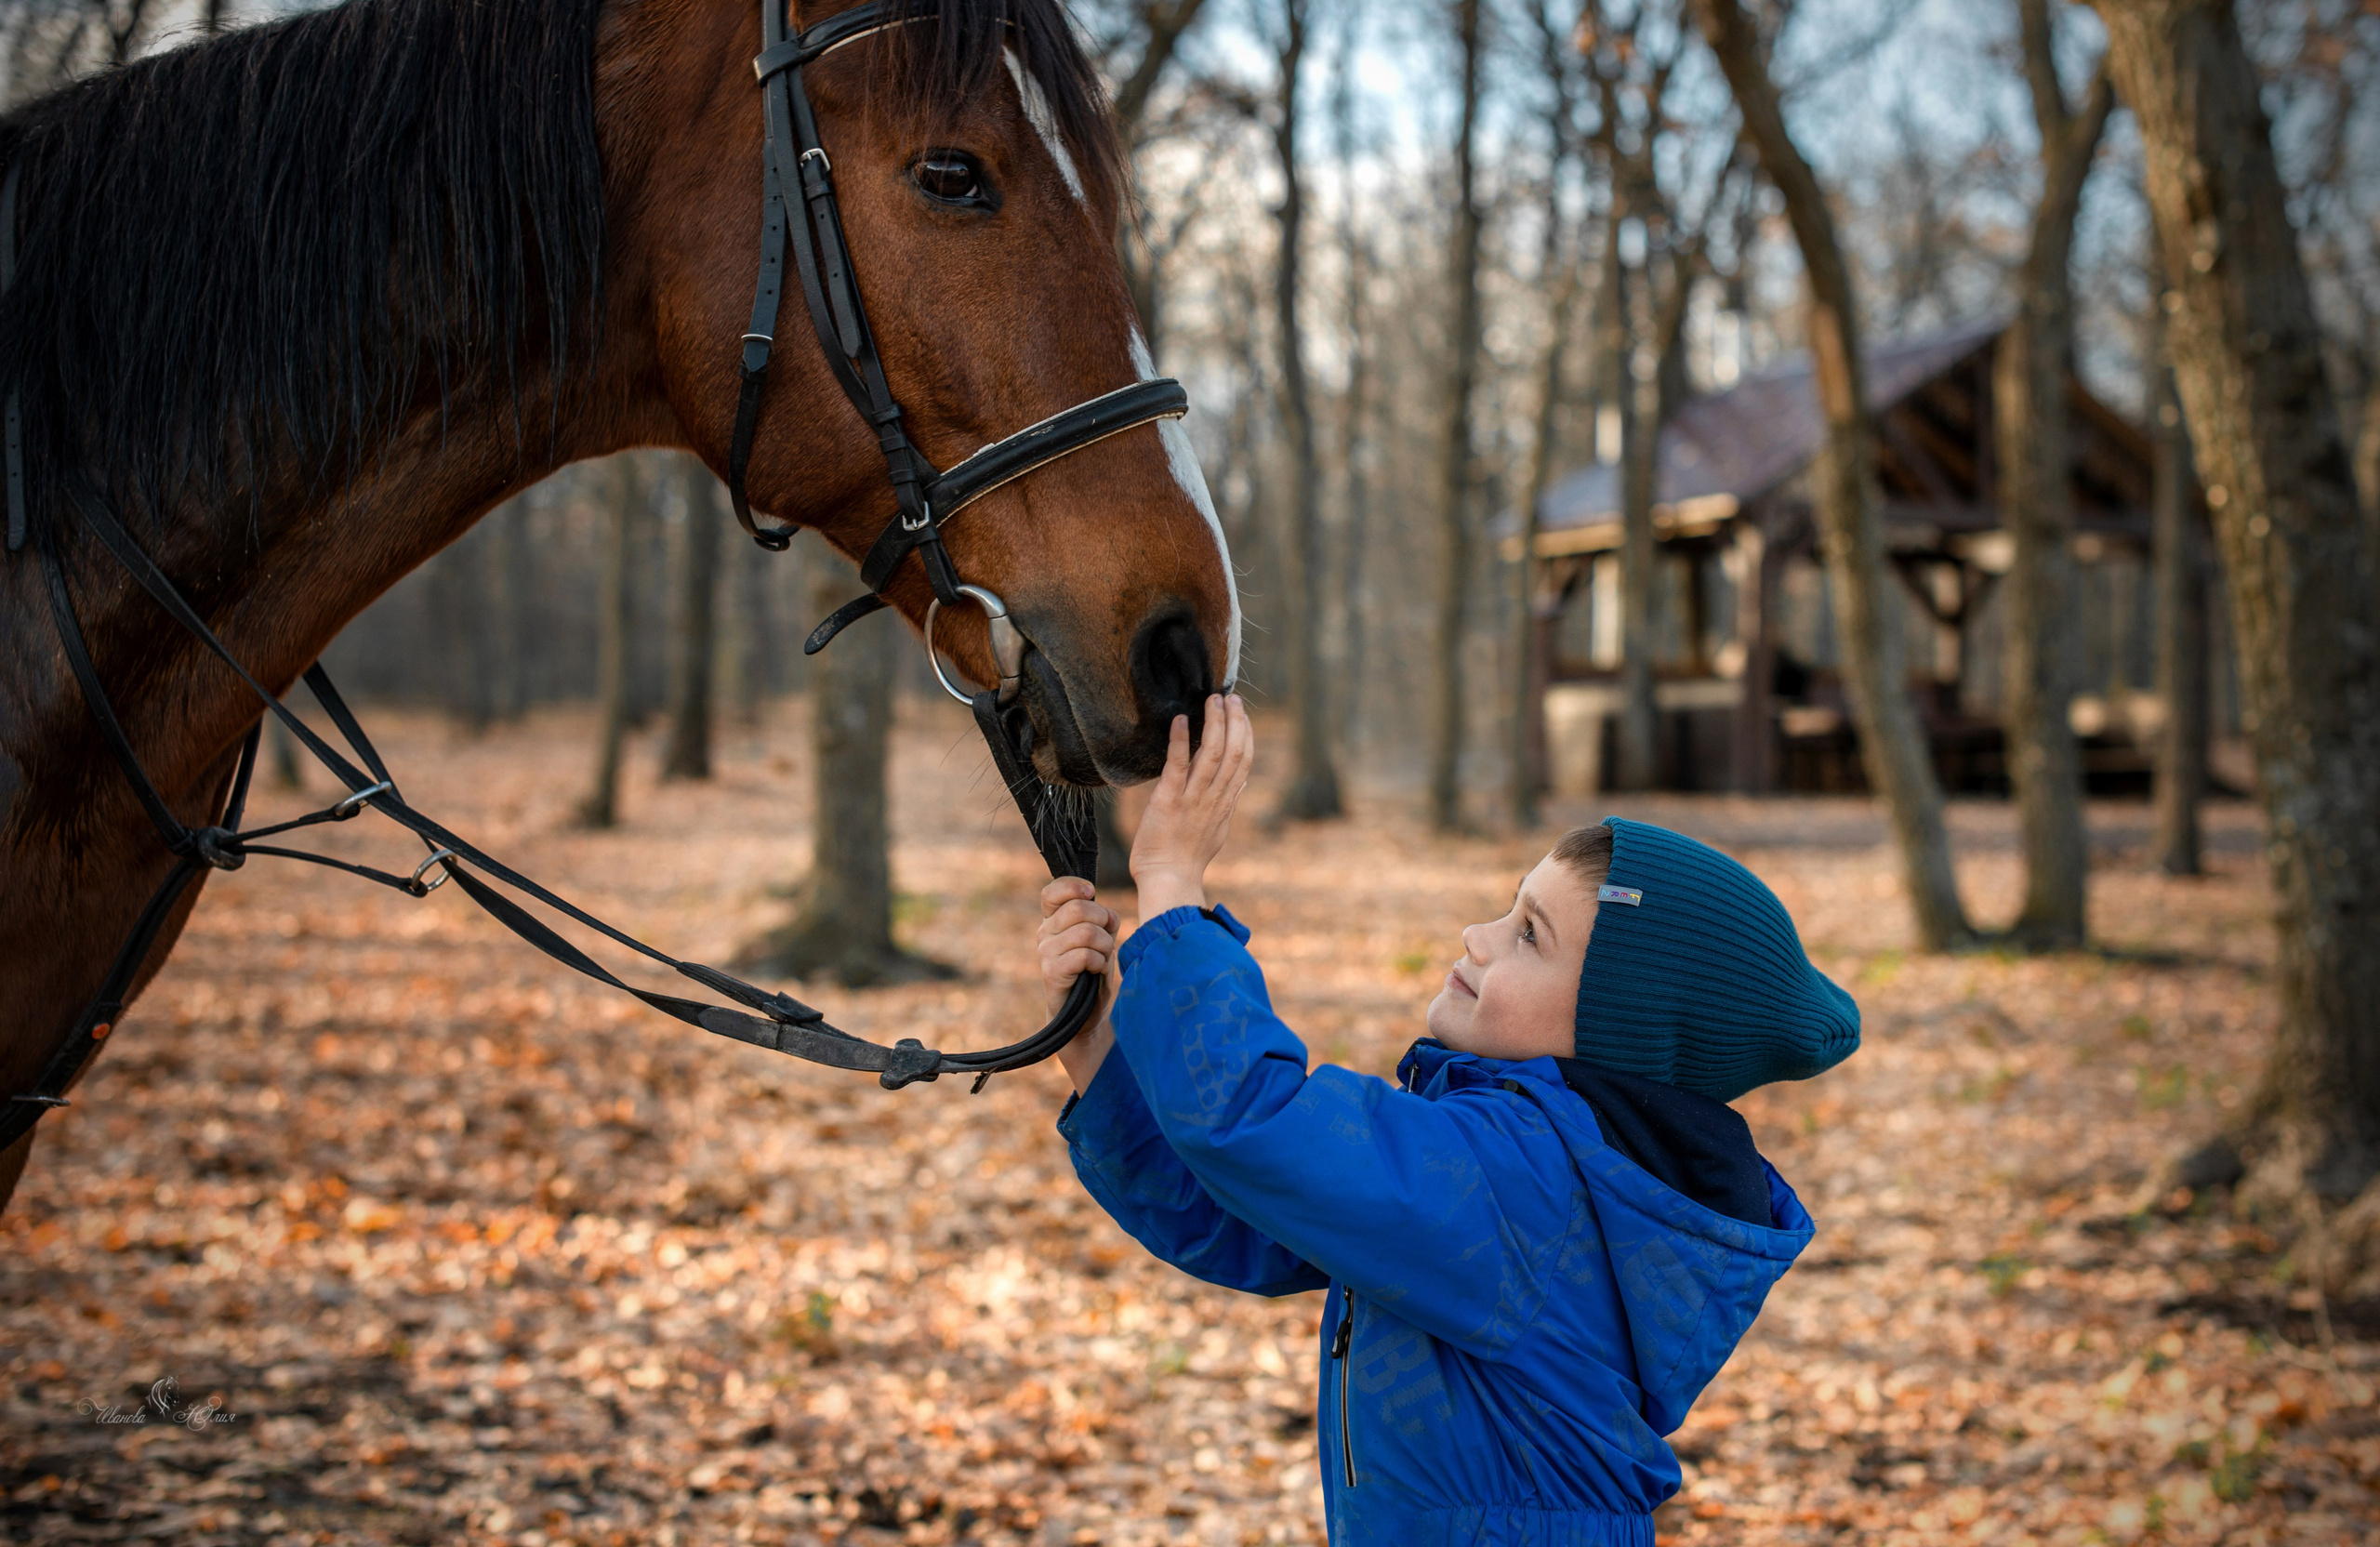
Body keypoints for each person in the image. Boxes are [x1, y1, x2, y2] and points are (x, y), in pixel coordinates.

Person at [1036, 694, 1860, 1545]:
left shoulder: (1528, 1187)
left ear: (1617, 1032)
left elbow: (1254, 1118)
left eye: (1530, 937)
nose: (1477, 935)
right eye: (1508, 909)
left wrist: (1174, 889)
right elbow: (1245, 1217)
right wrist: (1097, 1054)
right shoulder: (1524, 1161)